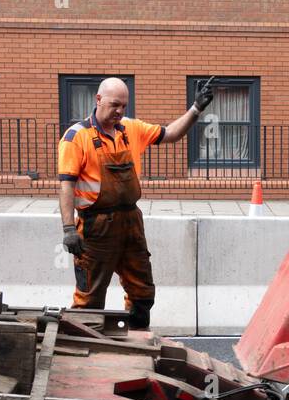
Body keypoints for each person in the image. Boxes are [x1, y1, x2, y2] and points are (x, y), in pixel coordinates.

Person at [57, 77, 213, 328]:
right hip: (96, 228)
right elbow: (67, 185)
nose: (119, 111)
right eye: (114, 105)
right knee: (90, 296)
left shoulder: (131, 128)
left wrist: (196, 109)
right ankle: (84, 351)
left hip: (131, 223)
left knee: (142, 289)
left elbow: (171, 133)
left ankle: (138, 341)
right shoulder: (76, 137)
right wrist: (67, 229)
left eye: (124, 106)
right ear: (98, 100)